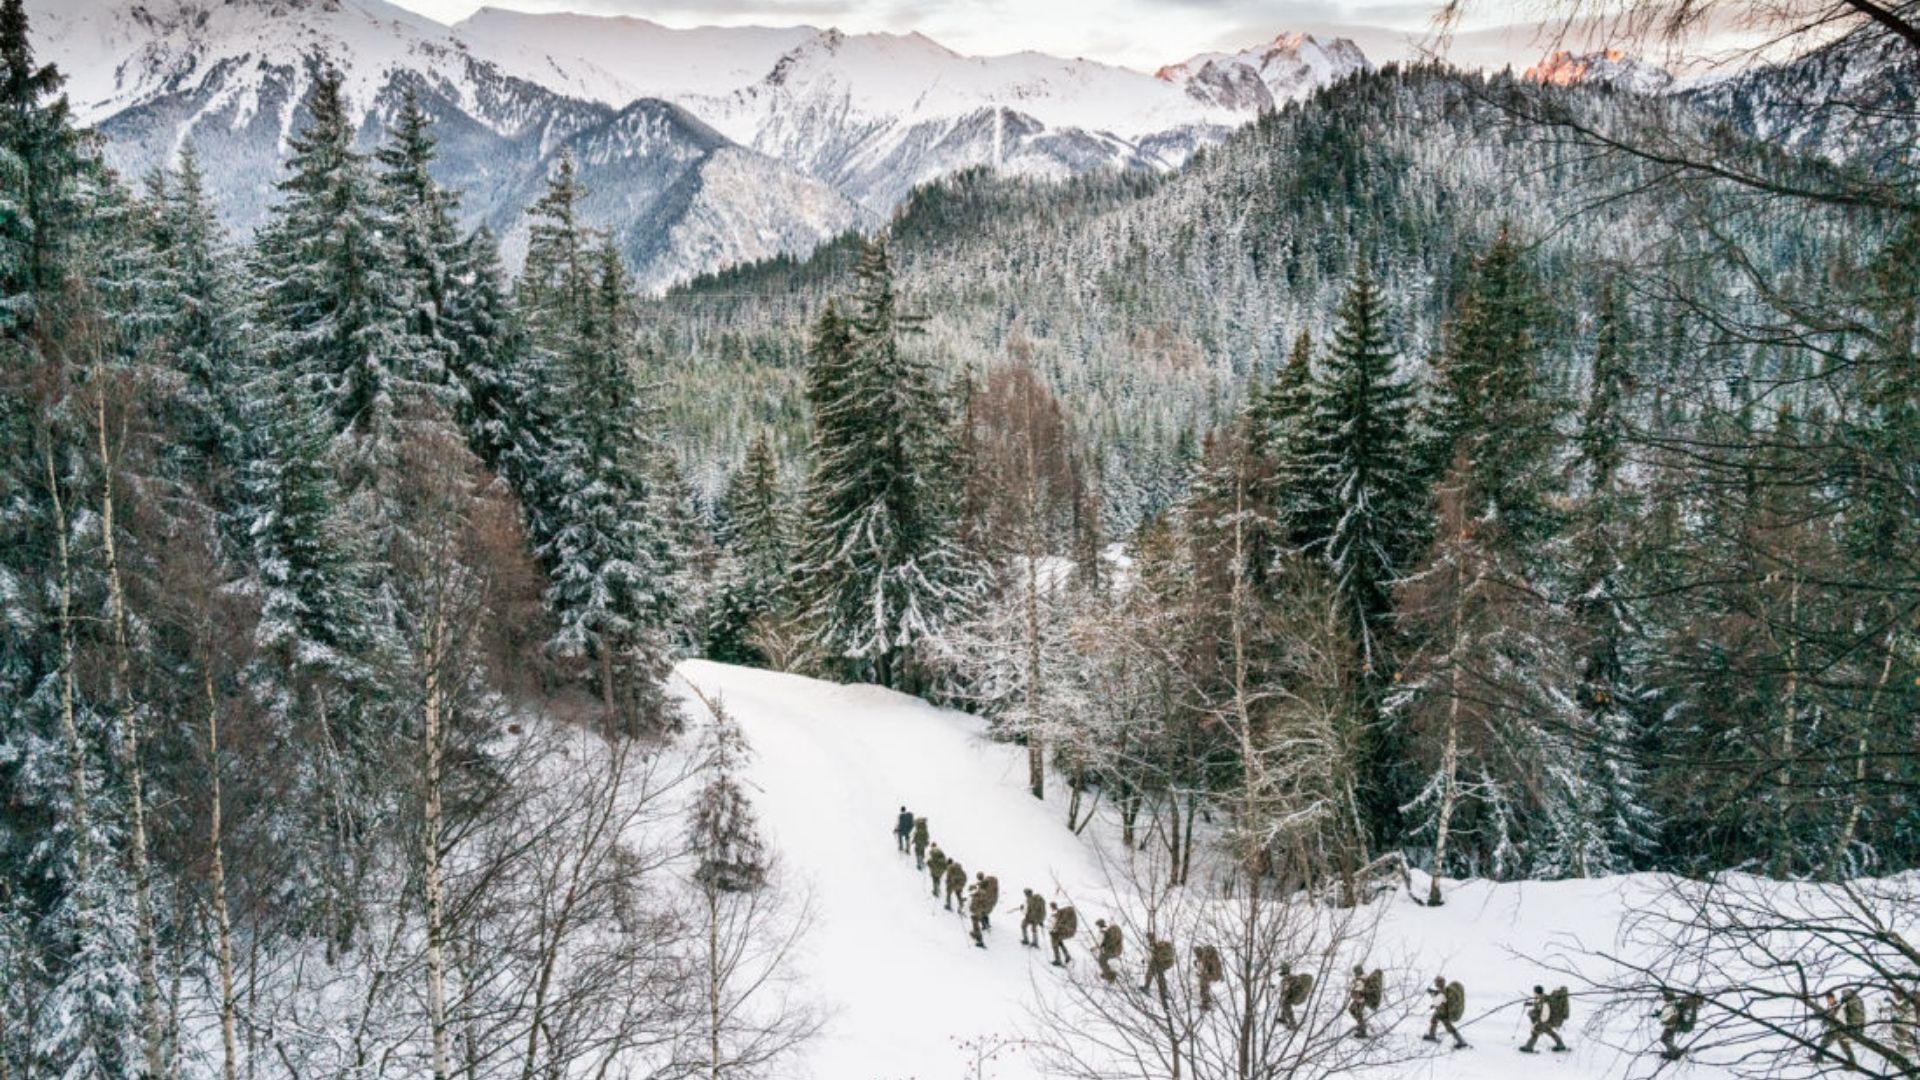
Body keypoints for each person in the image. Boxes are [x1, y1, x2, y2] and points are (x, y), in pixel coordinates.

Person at [1815, 989, 1859, 1067]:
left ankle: (1852, 1062)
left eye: (1830, 998)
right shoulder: (1832, 1006)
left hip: (1841, 1029)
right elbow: (1829, 1016)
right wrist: (1824, 1021)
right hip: (1833, 1029)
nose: (1829, 1000)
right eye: (1828, 999)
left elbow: (1837, 1016)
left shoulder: (1838, 1005)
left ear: (1834, 998)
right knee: (1824, 1041)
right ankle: (1818, 1056)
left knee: (1844, 1045)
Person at [1520, 985, 1570, 1053]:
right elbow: (1538, 1005)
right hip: (1545, 1022)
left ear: (1536, 992)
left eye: (1534, 992)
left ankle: (1529, 1047)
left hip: (1543, 1021)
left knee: (1535, 1033)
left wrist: (1534, 1016)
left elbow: (1544, 1012)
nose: (1534, 993)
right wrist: (1530, 1004)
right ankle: (1560, 1045)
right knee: (1551, 1033)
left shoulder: (1543, 1000)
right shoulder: (1543, 998)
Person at [1423, 975, 1468, 1049]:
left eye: (1437, 982)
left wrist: (1445, 1011)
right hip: (1444, 1011)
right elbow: (1440, 996)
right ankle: (1432, 1035)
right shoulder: (1445, 990)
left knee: (1448, 1026)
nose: (1436, 984)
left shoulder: (1446, 992)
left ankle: (1461, 1041)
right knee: (1434, 1018)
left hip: (1447, 1013)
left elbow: (1444, 1000)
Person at [1658, 990, 1702, 1061]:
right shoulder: (1677, 1004)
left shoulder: (1689, 1004)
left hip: (1683, 1024)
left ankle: (1674, 1053)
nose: (1664, 998)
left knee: (1665, 1038)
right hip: (1680, 1024)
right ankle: (1673, 1051)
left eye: (1666, 996)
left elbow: (1687, 1017)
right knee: (1666, 1037)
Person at [1347, 964, 1384, 1038]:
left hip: (1365, 1000)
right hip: (1365, 999)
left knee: (1356, 1011)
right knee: (1354, 1010)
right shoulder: (1367, 978)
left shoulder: (1363, 979)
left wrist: (1359, 994)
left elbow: (1361, 990)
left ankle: (1362, 1029)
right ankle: (1361, 1025)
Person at [1279, 963, 1314, 1029]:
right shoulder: (1292, 977)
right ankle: (1283, 1018)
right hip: (1299, 997)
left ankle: (1293, 1024)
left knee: (1285, 1003)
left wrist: (1288, 989)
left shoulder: (1290, 979)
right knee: (1284, 1000)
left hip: (1298, 998)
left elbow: (1296, 989)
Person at [1194, 945, 1223, 1012]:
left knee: (1203, 983)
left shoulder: (1208, 957)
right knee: (1203, 982)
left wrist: (1202, 974)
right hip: (1213, 973)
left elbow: (1213, 969)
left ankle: (1206, 1001)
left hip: (1215, 975)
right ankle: (1206, 1000)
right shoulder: (1204, 957)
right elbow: (1205, 968)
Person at [967, 875, 994, 948]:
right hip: (979, 911)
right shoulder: (984, 892)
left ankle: (980, 940)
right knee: (975, 924)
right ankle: (975, 934)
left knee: (976, 925)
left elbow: (975, 902)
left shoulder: (980, 893)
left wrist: (972, 908)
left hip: (976, 911)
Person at [1048, 903, 1078, 967]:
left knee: (1054, 939)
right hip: (1070, 931)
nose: (1052, 909)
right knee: (1058, 939)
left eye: (1052, 907)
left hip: (1068, 931)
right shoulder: (1064, 912)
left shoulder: (1064, 913)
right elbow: (1059, 921)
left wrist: (1053, 930)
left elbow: (1061, 923)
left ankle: (1058, 959)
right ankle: (1067, 956)